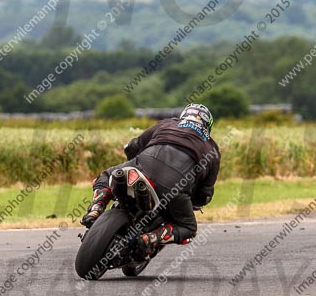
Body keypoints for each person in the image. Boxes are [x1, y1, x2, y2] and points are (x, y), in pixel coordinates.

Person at [81, 103, 220, 254]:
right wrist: (194, 201)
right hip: (174, 187)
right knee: (189, 228)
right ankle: (149, 238)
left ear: (184, 115)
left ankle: (96, 208)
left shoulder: (168, 123)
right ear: (208, 125)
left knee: (106, 175)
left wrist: (133, 161)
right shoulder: (212, 148)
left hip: (143, 165)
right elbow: (205, 193)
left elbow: (132, 146)